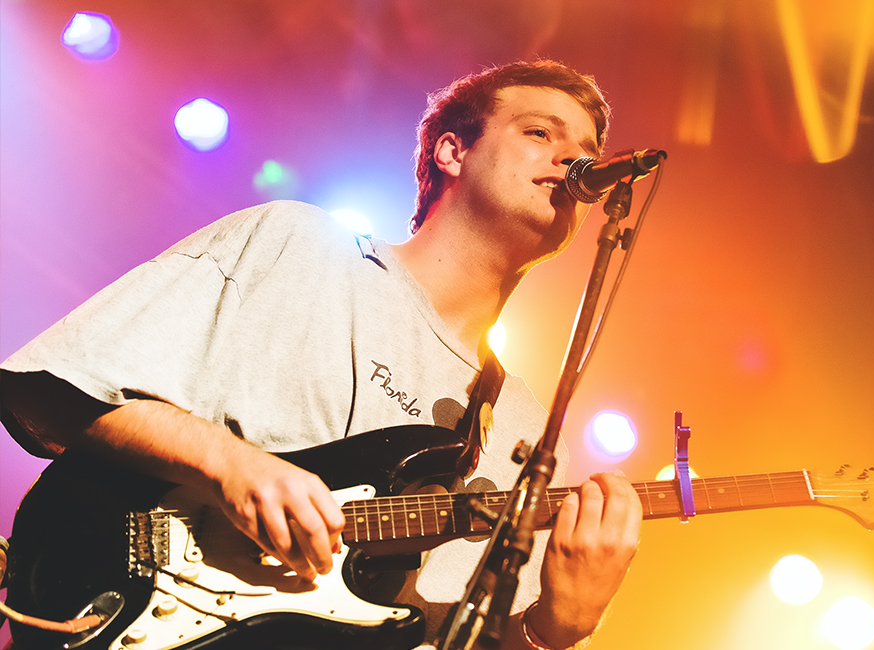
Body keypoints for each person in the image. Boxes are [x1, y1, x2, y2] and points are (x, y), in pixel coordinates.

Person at [1, 60, 642, 650]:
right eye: (540, 133)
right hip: (117, 604)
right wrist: (231, 466)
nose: (573, 162)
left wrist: (553, 630)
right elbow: (50, 389)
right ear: (452, 149)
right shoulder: (296, 245)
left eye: (588, 152)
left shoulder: (523, 432)